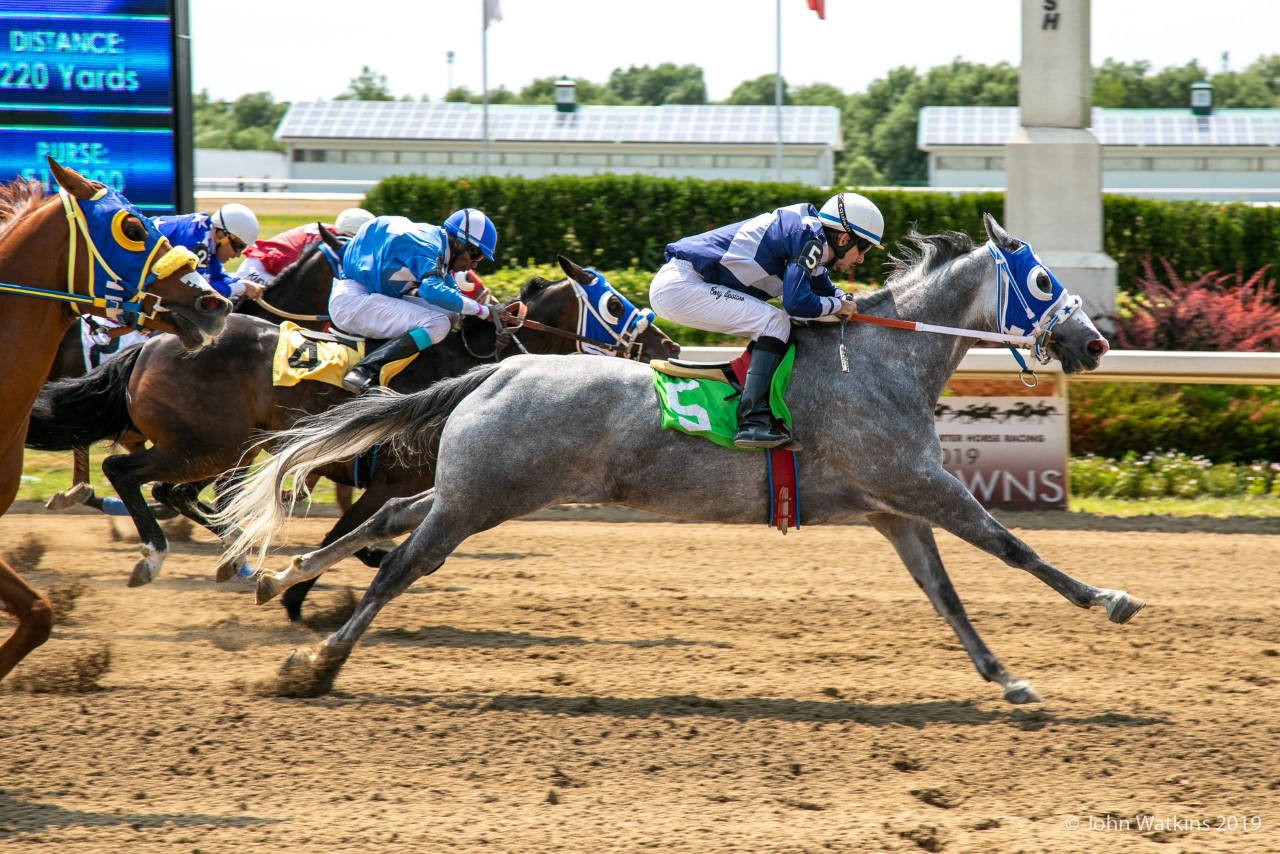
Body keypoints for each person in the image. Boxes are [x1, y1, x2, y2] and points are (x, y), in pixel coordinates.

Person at [648, 192, 885, 450]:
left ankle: (751, 403)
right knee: (775, 323)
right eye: (864, 247)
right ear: (843, 238)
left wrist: (846, 302)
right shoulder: (809, 239)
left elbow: (827, 291)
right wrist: (839, 305)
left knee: (775, 322)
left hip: (682, 284)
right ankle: (752, 422)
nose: (861, 258)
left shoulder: (810, 239)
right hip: (681, 286)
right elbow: (796, 305)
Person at [331, 208, 500, 394]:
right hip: (353, 301)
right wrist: (483, 311)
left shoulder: (436, 244)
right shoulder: (427, 245)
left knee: (449, 314)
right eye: (476, 255)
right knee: (438, 323)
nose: (473, 265)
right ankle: (366, 370)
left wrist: (490, 312)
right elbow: (432, 291)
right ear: (460, 243)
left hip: (371, 296)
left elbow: (452, 297)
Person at [236, 207, 375, 293]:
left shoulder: (334, 235)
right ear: (350, 235)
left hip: (271, 266)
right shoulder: (322, 242)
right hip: (257, 271)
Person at [151, 203, 261, 300]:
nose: (238, 255)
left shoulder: (209, 238)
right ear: (221, 235)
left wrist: (241, 284)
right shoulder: (199, 241)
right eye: (238, 246)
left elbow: (217, 277)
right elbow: (203, 292)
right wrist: (242, 287)